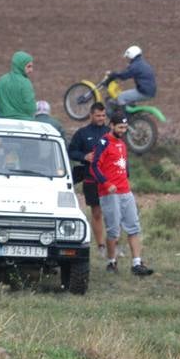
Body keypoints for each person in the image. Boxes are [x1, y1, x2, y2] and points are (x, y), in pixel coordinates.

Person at [90, 110, 153, 276]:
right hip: (109, 194)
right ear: (111, 125)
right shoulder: (103, 143)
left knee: (134, 227)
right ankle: (112, 261)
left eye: (125, 127)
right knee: (114, 231)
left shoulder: (123, 144)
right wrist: (106, 183)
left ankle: (137, 263)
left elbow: (123, 167)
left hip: (125, 191)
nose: (123, 130)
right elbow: (94, 167)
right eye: (120, 127)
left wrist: (126, 181)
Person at [67, 103, 110, 258]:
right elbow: (71, 151)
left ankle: (114, 244)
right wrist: (84, 156)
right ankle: (101, 246)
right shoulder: (82, 133)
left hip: (109, 179)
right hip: (91, 179)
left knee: (112, 213)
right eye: (98, 115)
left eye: (103, 115)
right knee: (97, 212)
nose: (101, 118)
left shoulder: (110, 132)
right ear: (91, 115)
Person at [105, 45, 157, 111]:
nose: (128, 59)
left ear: (131, 56)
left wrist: (112, 74)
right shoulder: (141, 63)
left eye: (128, 57)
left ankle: (123, 118)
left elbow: (124, 76)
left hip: (144, 92)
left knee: (121, 96)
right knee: (128, 96)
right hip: (148, 90)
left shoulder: (135, 65)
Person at [0, 51, 36, 121]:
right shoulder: (25, 83)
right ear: (20, 65)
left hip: (2, 122)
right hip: (23, 123)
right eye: (28, 66)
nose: (31, 70)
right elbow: (30, 107)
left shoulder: (1, 80)